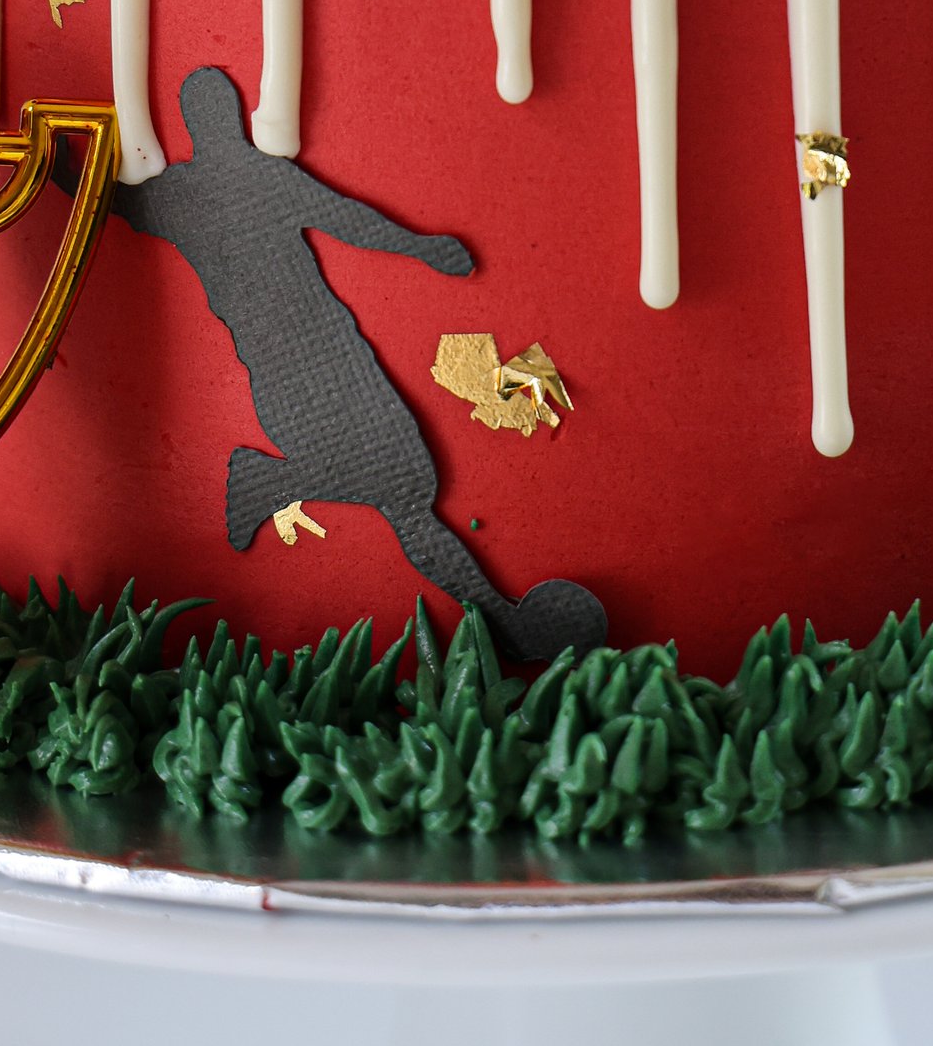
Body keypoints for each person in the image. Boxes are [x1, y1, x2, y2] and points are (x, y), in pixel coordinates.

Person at [113, 66, 605, 656]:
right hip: (307, 361)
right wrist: (421, 248)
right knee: (402, 484)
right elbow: (353, 223)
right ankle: (266, 479)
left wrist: (51, 162)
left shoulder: (179, 195)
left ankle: (500, 616)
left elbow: (105, 199)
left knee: (408, 490)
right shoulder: (239, 181)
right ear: (231, 117)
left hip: (314, 358)